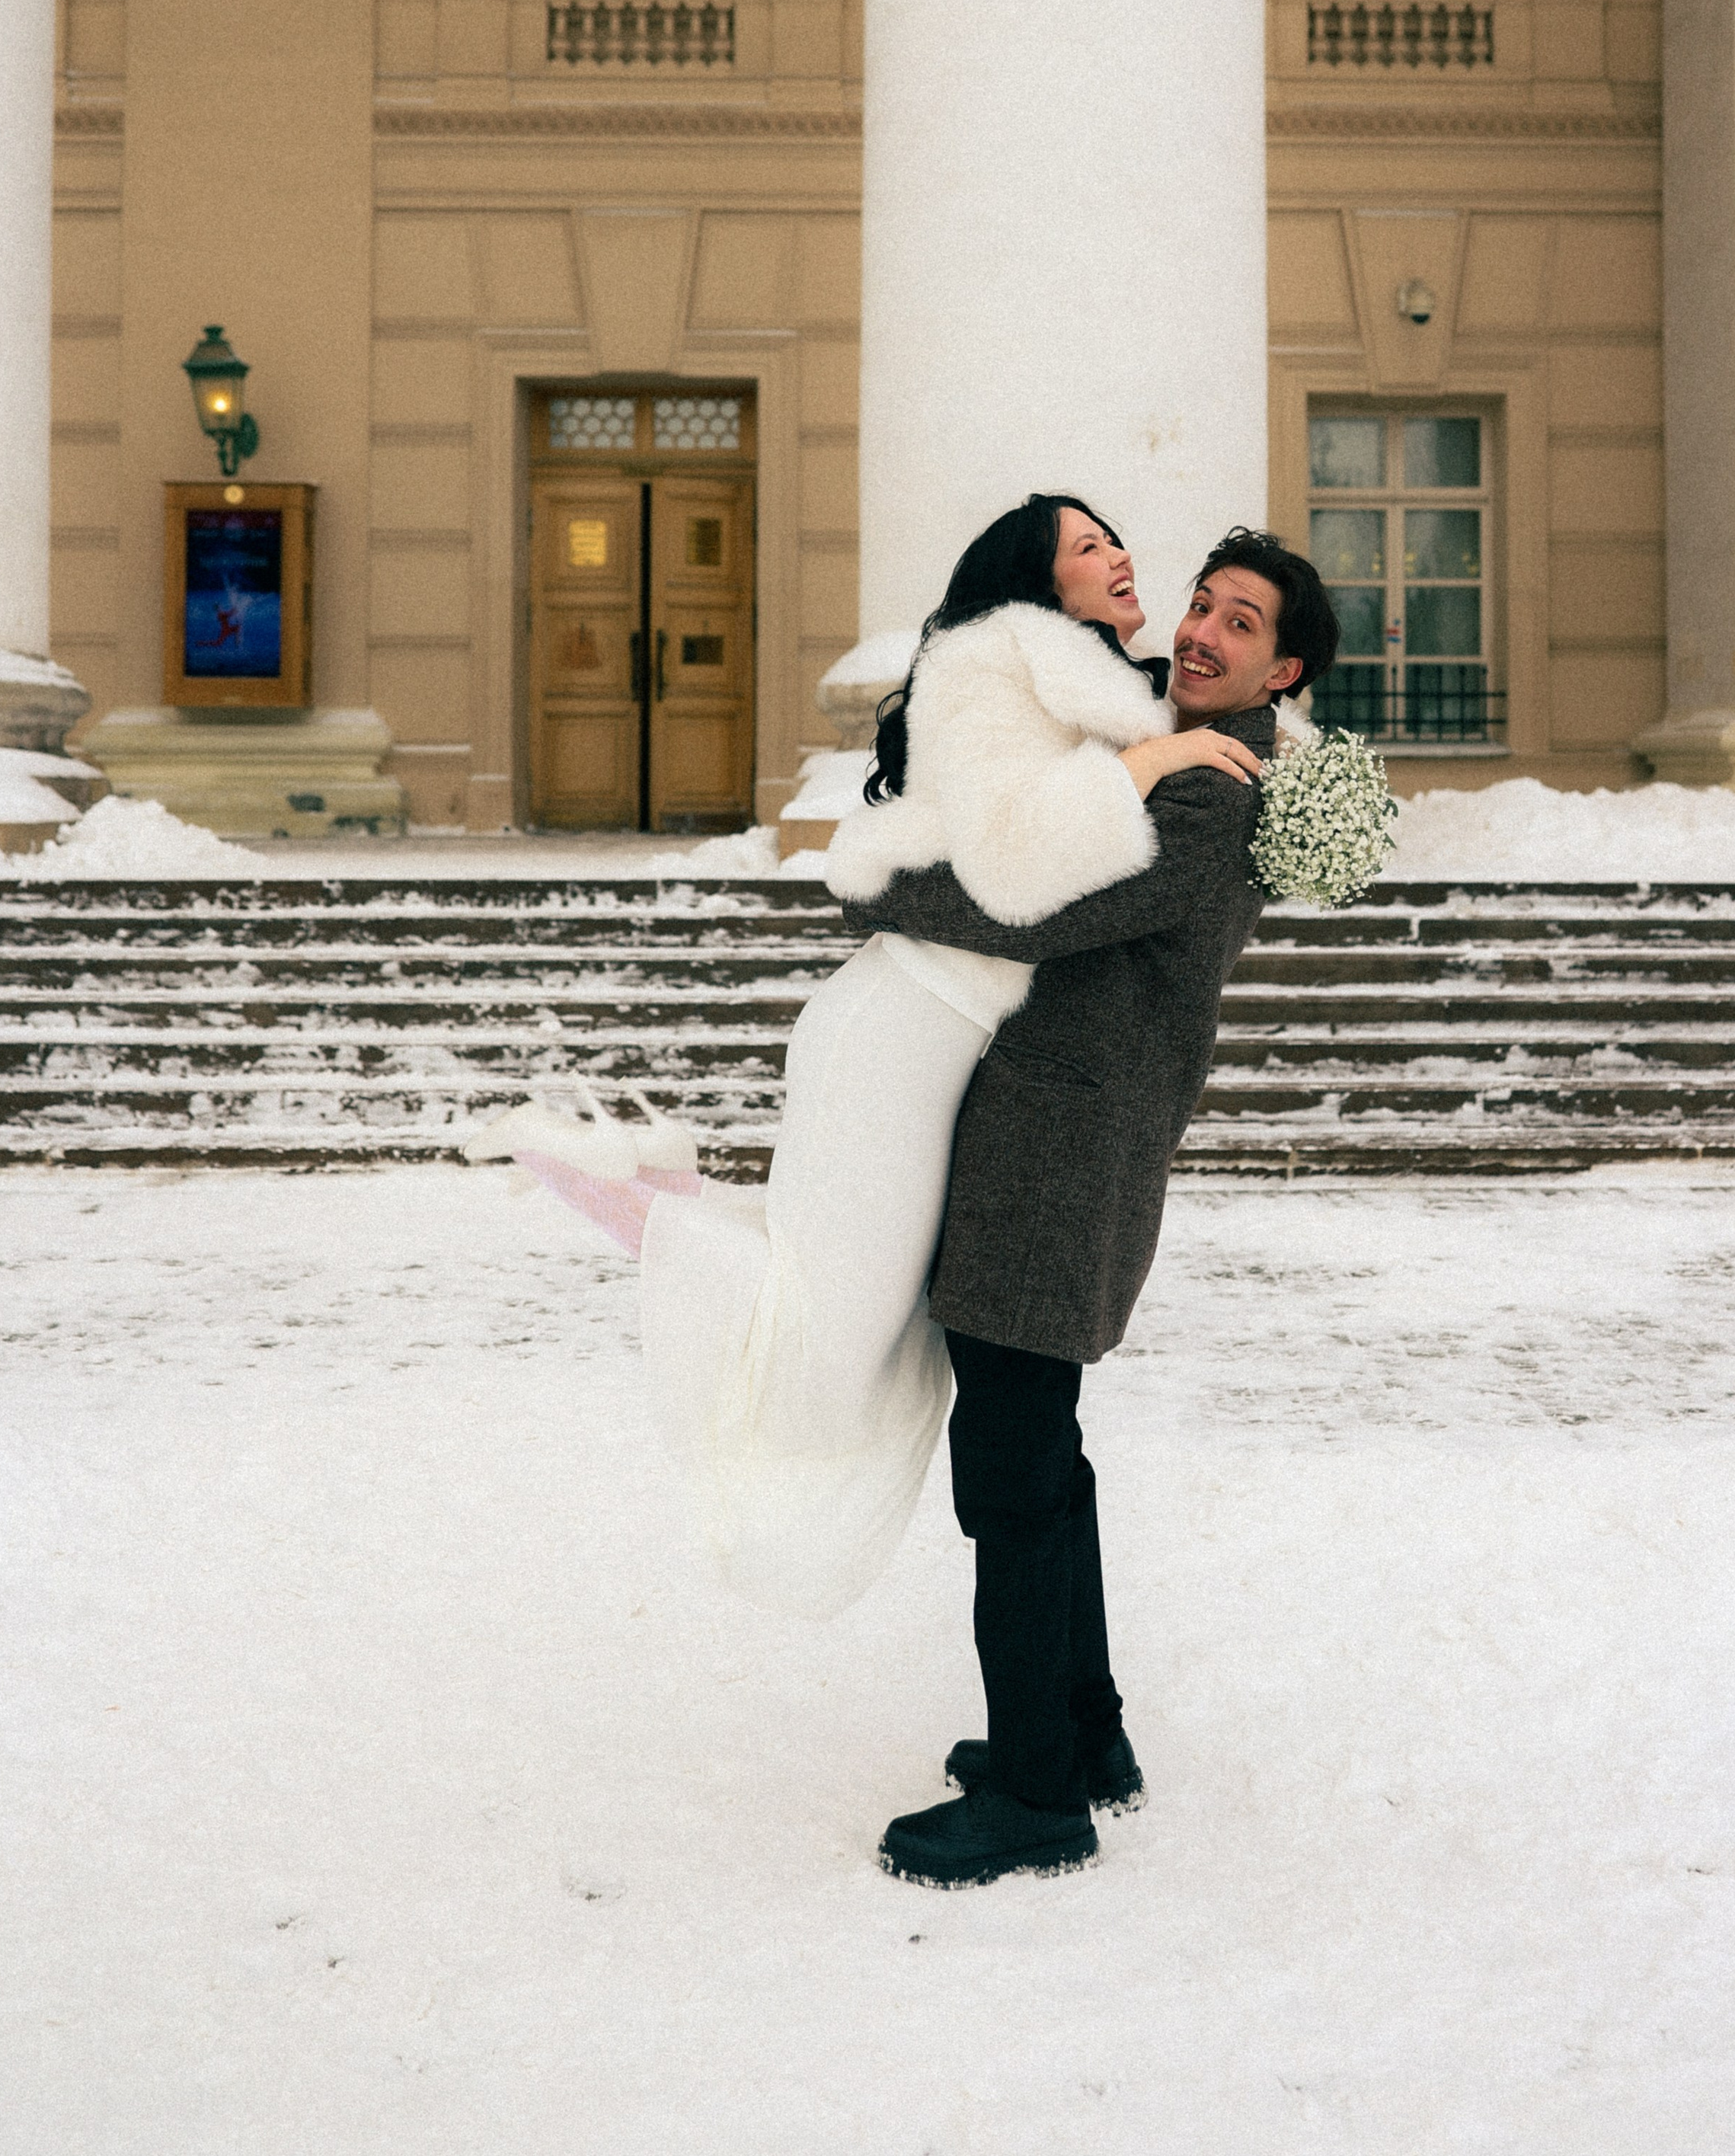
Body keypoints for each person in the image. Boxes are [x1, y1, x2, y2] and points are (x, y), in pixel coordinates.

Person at [536, 493, 1266, 1620]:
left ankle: (661, 1199)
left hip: (933, 1037)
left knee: (869, 1326)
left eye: (1116, 537)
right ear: (1037, 584)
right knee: (843, 1333)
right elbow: (1018, 880)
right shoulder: (1014, 659)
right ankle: (646, 1207)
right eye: (1087, 547)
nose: (1122, 557)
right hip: (906, 1026)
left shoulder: (1079, 685)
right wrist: (1145, 761)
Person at [839, 527, 1340, 1889]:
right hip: (1052, 1140)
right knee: (1042, 1457)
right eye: (1202, 604)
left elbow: (1036, 911)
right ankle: (1082, 1736)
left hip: (1066, 1154)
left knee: (1010, 1469)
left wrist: (882, 888)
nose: (1201, 631)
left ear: (1281, 669)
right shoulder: (1166, 755)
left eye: (1241, 624)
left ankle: (1039, 1799)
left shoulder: (1214, 795)